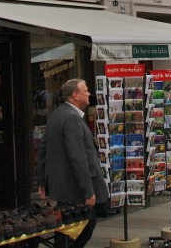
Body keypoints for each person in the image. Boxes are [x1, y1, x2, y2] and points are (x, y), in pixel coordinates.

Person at [37, 78, 108, 248]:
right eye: (86, 90)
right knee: (78, 228)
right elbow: (78, 157)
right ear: (75, 95)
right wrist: (88, 191)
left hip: (64, 187)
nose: (89, 93)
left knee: (72, 229)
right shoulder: (71, 118)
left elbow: (43, 150)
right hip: (73, 188)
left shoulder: (57, 114)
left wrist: (42, 182)